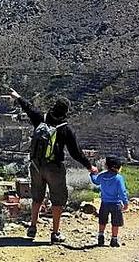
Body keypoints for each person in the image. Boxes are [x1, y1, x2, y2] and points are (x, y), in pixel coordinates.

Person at [10, 89, 97, 244]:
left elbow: (29, 108)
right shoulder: (65, 128)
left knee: (37, 197)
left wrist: (18, 97)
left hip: (36, 165)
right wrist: (90, 167)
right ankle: (55, 233)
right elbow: (76, 153)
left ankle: (32, 227)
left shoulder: (41, 119)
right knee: (57, 201)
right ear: (66, 111)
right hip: (54, 168)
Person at [90, 157, 129, 247]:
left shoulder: (102, 176)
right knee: (115, 222)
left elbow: (96, 181)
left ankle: (101, 236)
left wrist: (92, 174)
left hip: (104, 203)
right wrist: (125, 202)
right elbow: (122, 192)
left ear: (106, 166)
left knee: (102, 220)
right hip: (116, 203)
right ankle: (114, 239)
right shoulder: (119, 178)